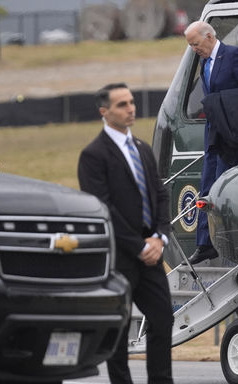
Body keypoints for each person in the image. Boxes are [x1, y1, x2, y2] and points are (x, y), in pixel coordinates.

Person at [78, 83, 174, 384]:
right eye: (122, 104)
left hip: (152, 251)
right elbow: (103, 207)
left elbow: (159, 195)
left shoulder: (143, 148)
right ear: (104, 112)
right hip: (121, 256)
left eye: (131, 102)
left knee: (163, 320)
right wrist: (138, 247)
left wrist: (159, 238)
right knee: (117, 330)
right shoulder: (93, 155)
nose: (130, 108)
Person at [184, 20, 238, 265]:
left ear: (210, 37)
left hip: (233, 128)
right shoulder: (204, 61)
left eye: (196, 44)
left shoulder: (233, 56)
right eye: (191, 45)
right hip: (214, 129)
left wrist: (223, 104)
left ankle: (227, 242)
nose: (194, 49)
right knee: (206, 183)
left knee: (223, 185)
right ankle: (204, 244)